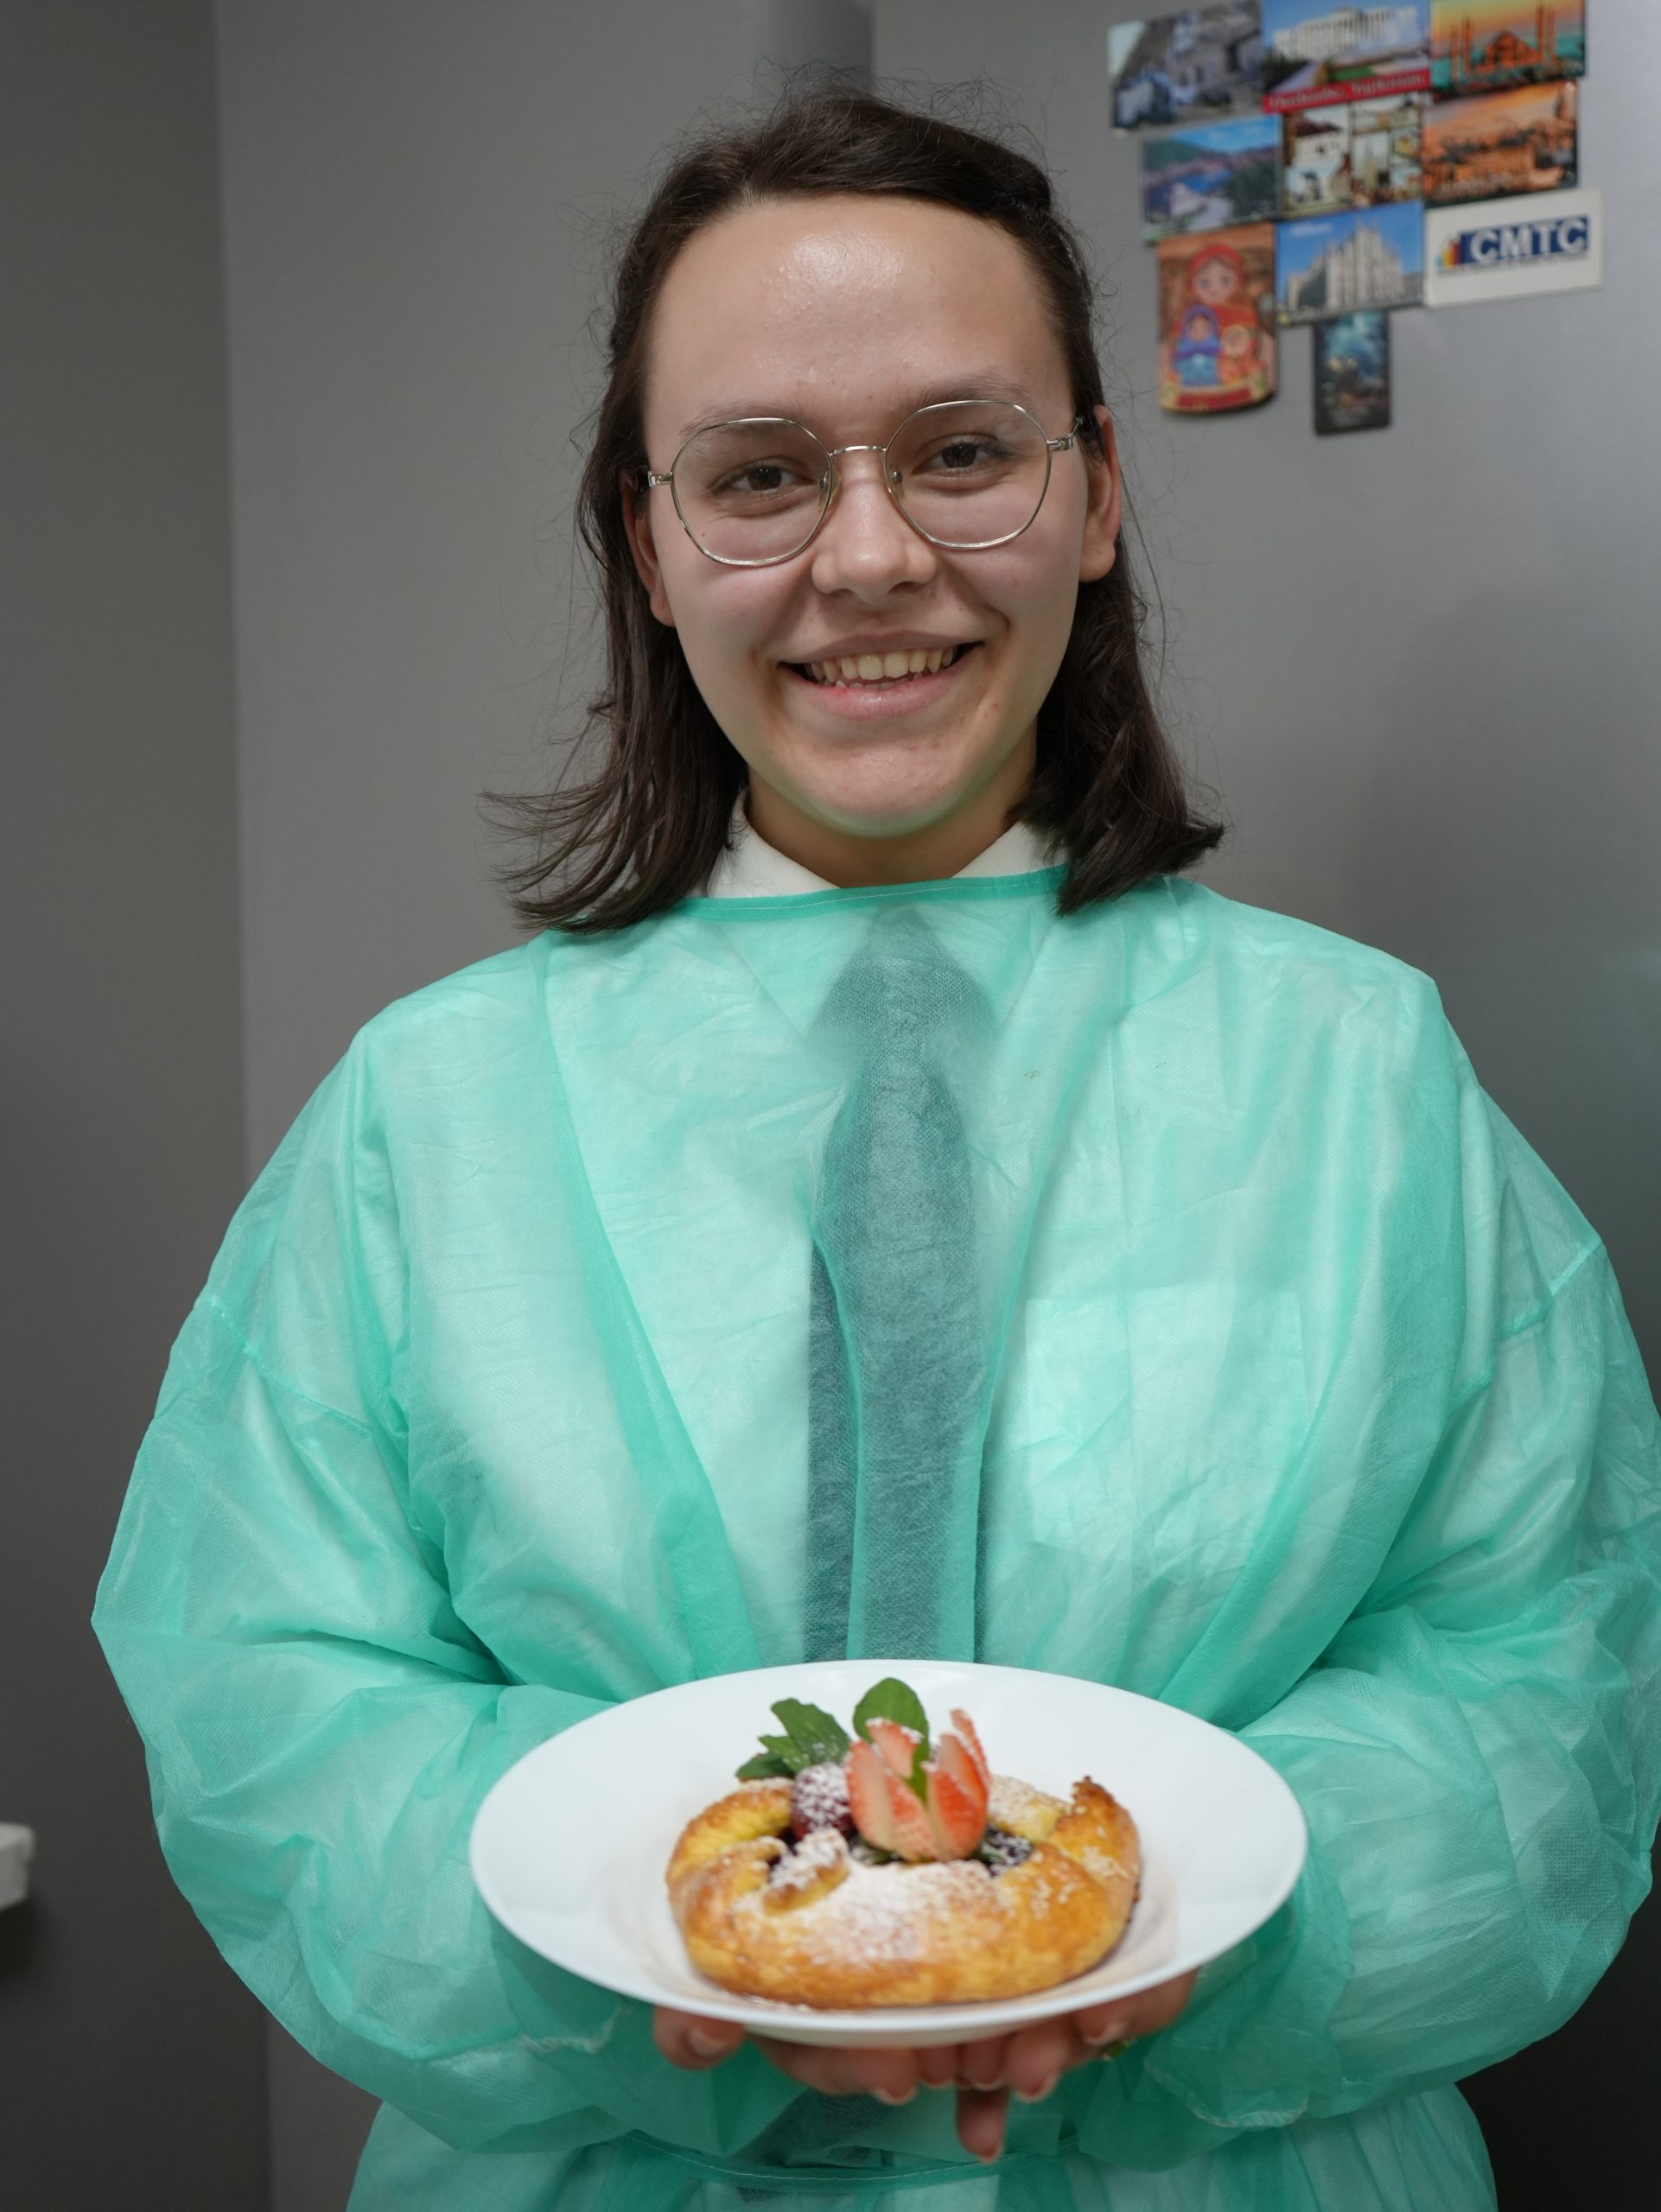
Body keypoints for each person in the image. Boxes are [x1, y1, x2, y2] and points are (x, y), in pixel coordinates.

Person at [93, 86, 1661, 2212]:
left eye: (960, 449)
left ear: (1093, 491)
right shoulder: (426, 1116)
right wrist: (647, 1938)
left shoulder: (1358, 1076)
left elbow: (1540, 1668)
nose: (866, 556)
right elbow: (277, 1691)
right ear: (648, 545)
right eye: (758, 474)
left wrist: (1187, 1941)